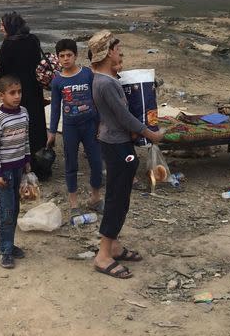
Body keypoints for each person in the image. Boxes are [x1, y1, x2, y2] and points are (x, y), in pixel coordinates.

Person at [89, 30, 165, 280]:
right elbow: (124, 117)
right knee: (116, 198)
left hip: (117, 142)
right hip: (116, 145)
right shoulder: (106, 83)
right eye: (117, 48)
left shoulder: (105, 79)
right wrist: (150, 134)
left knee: (119, 195)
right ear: (108, 52)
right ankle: (103, 256)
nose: (120, 52)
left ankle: (114, 246)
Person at [47, 38, 103, 215]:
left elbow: (97, 100)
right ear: (57, 58)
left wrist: (101, 123)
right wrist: (52, 132)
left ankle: (95, 198)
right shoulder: (57, 81)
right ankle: (73, 204)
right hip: (70, 128)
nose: (65, 59)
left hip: (91, 126)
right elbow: (55, 108)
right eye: (61, 56)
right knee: (71, 164)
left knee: (96, 162)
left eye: (69, 55)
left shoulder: (87, 74)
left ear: (76, 55)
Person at [0, 75, 31, 269]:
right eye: (12, 93)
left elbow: (26, 139)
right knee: (6, 211)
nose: (17, 96)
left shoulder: (24, 113)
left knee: (15, 209)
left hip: (19, 168)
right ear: (1, 95)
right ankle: (5, 250)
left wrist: (27, 161)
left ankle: (9, 244)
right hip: (4, 172)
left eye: (19, 92)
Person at [0, 11, 47, 170]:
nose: (0, 28)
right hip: (34, 90)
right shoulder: (33, 39)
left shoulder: (9, 44)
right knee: (36, 125)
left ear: (10, 26)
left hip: (16, 92)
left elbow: (1, 70)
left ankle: (22, 164)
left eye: (2, 25)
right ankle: (42, 164)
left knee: (19, 127)